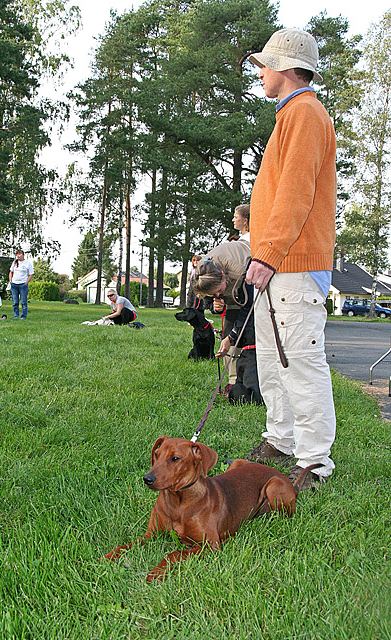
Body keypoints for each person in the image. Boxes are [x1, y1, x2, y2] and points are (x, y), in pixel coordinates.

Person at [245, 28, 336, 490]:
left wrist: (267, 253)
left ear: (284, 66)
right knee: (273, 361)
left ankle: (315, 462)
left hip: (292, 263)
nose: (260, 73)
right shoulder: (291, 114)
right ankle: (280, 440)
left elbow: (295, 194)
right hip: (279, 264)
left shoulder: (304, 113)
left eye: (264, 65)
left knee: (299, 362)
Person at [193, 241, 260, 401]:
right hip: (233, 292)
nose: (218, 295)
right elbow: (208, 300)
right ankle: (233, 382)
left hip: (248, 290)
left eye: (218, 291)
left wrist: (232, 337)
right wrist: (216, 306)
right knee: (228, 334)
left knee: (243, 333)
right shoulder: (202, 274)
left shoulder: (240, 270)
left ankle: (250, 380)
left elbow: (248, 308)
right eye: (213, 294)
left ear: (223, 275)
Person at [9, 249, 34, 319]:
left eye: (20, 254)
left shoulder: (27, 263)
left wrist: (26, 283)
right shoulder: (15, 263)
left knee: (23, 302)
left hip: (23, 285)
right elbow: (11, 272)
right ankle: (15, 316)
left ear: (23, 255)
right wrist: (10, 281)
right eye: (17, 254)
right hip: (14, 284)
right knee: (15, 302)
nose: (18, 256)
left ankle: (23, 316)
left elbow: (31, 274)